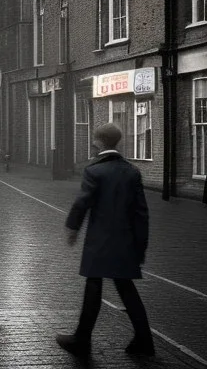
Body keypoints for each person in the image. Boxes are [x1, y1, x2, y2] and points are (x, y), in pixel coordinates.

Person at [56, 122, 154, 357]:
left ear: (97, 142)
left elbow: (83, 202)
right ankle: (145, 340)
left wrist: (72, 227)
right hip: (126, 242)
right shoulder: (132, 171)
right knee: (126, 288)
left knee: (94, 285)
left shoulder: (94, 171)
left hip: (100, 241)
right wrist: (141, 247)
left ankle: (82, 339)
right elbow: (141, 214)